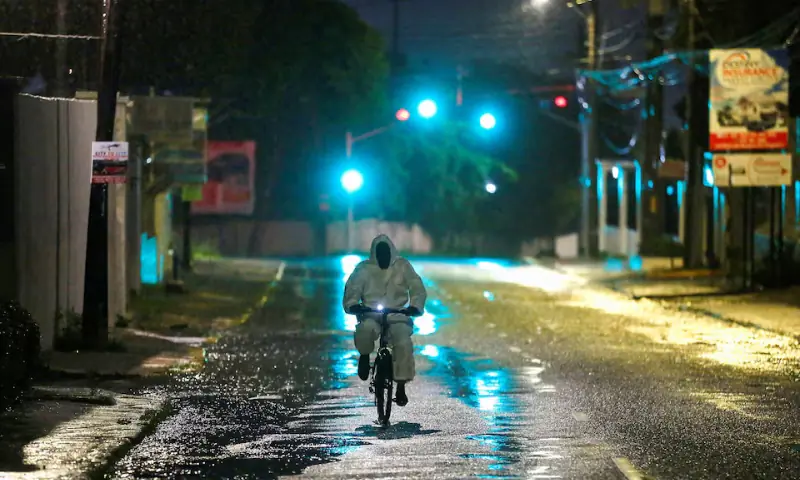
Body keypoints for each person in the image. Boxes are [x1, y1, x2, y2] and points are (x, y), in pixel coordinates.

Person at [343, 234, 427, 406]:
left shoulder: (402, 266)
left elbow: (416, 286)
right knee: (364, 330)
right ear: (374, 254)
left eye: (386, 253)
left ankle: (401, 385)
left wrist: (415, 306)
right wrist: (353, 305)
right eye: (379, 254)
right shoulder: (364, 269)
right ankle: (365, 356)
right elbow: (353, 288)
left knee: (403, 344)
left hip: (397, 315)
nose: (383, 258)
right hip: (371, 314)